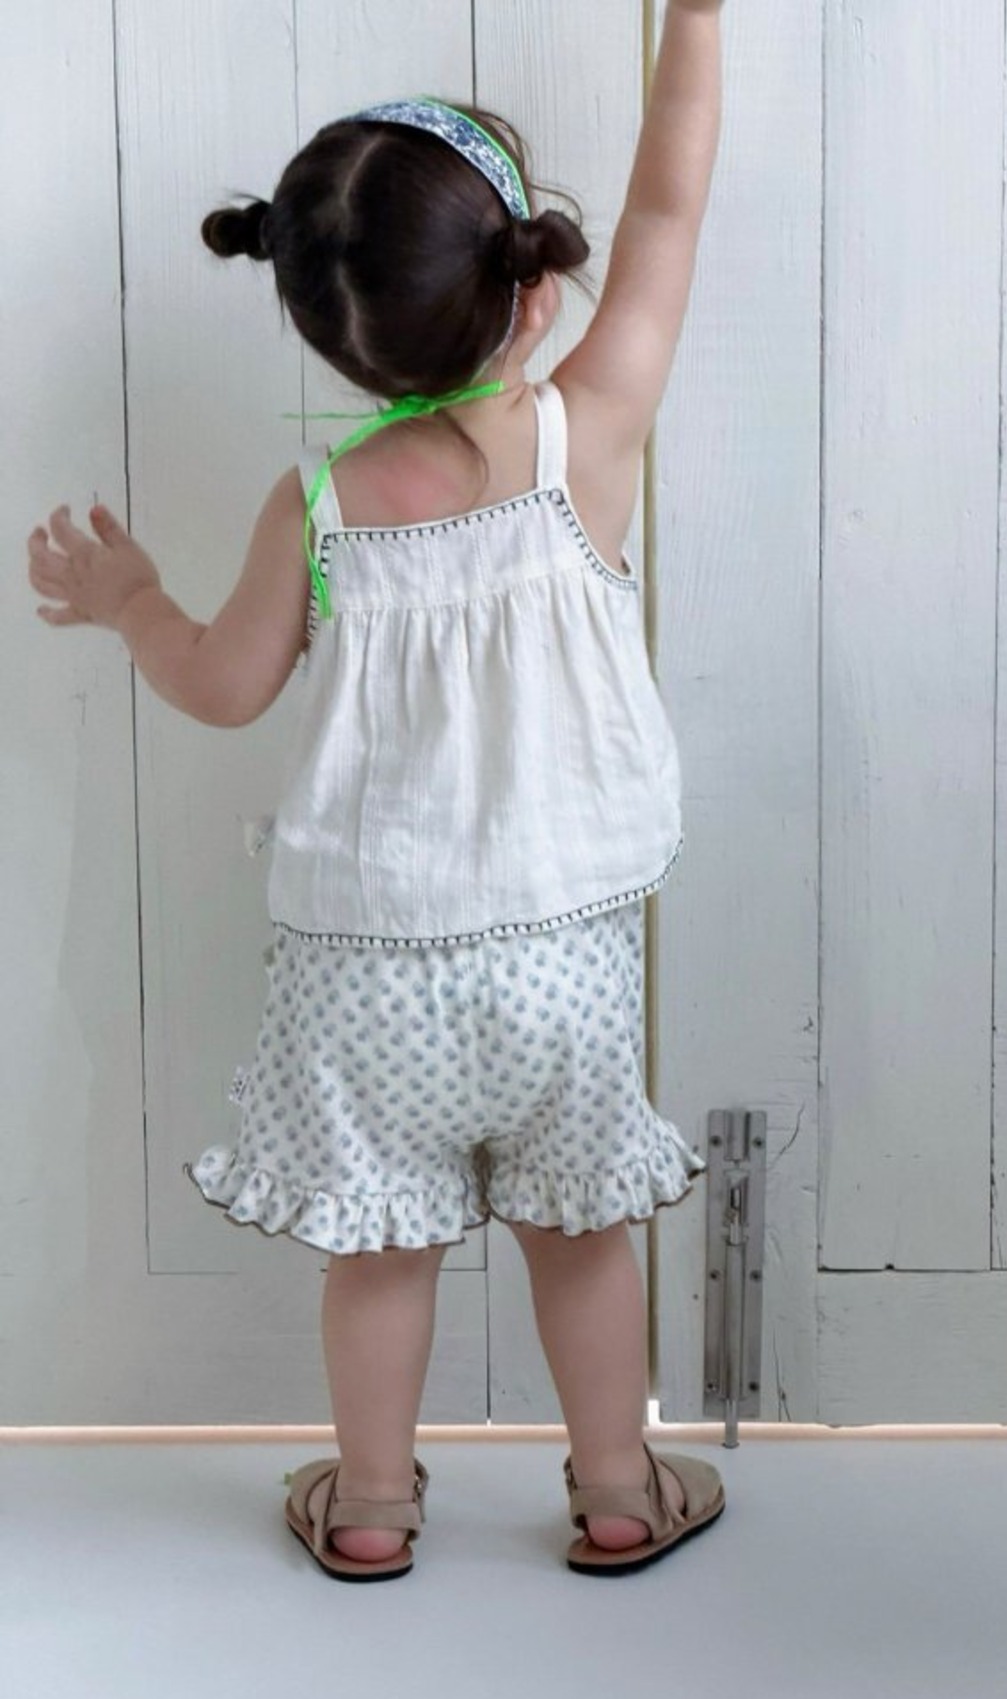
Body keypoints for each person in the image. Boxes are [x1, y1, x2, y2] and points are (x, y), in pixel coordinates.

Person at [27, 0, 726, 1582]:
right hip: (558, 962)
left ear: (331, 331)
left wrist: (135, 602)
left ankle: (368, 1505)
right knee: (581, 1234)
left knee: (383, 1247)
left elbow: (223, 685)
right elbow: (671, 210)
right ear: (533, 284)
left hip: (368, 983)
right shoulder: (589, 439)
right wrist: (691, 22)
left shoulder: (318, 506)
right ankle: (620, 1490)